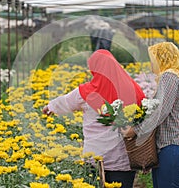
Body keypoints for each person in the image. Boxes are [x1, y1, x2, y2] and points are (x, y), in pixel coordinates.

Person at [42, 49, 145, 188]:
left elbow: (65, 102)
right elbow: (144, 113)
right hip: (122, 159)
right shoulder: (132, 89)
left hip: (94, 156)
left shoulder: (85, 92)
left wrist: (50, 107)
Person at [122, 42, 179, 188]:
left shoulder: (169, 77)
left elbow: (159, 112)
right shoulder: (173, 77)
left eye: (153, 59)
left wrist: (135, 130)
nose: (151, 64)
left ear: (162, 58)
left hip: (173, 145)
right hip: (169, 148)